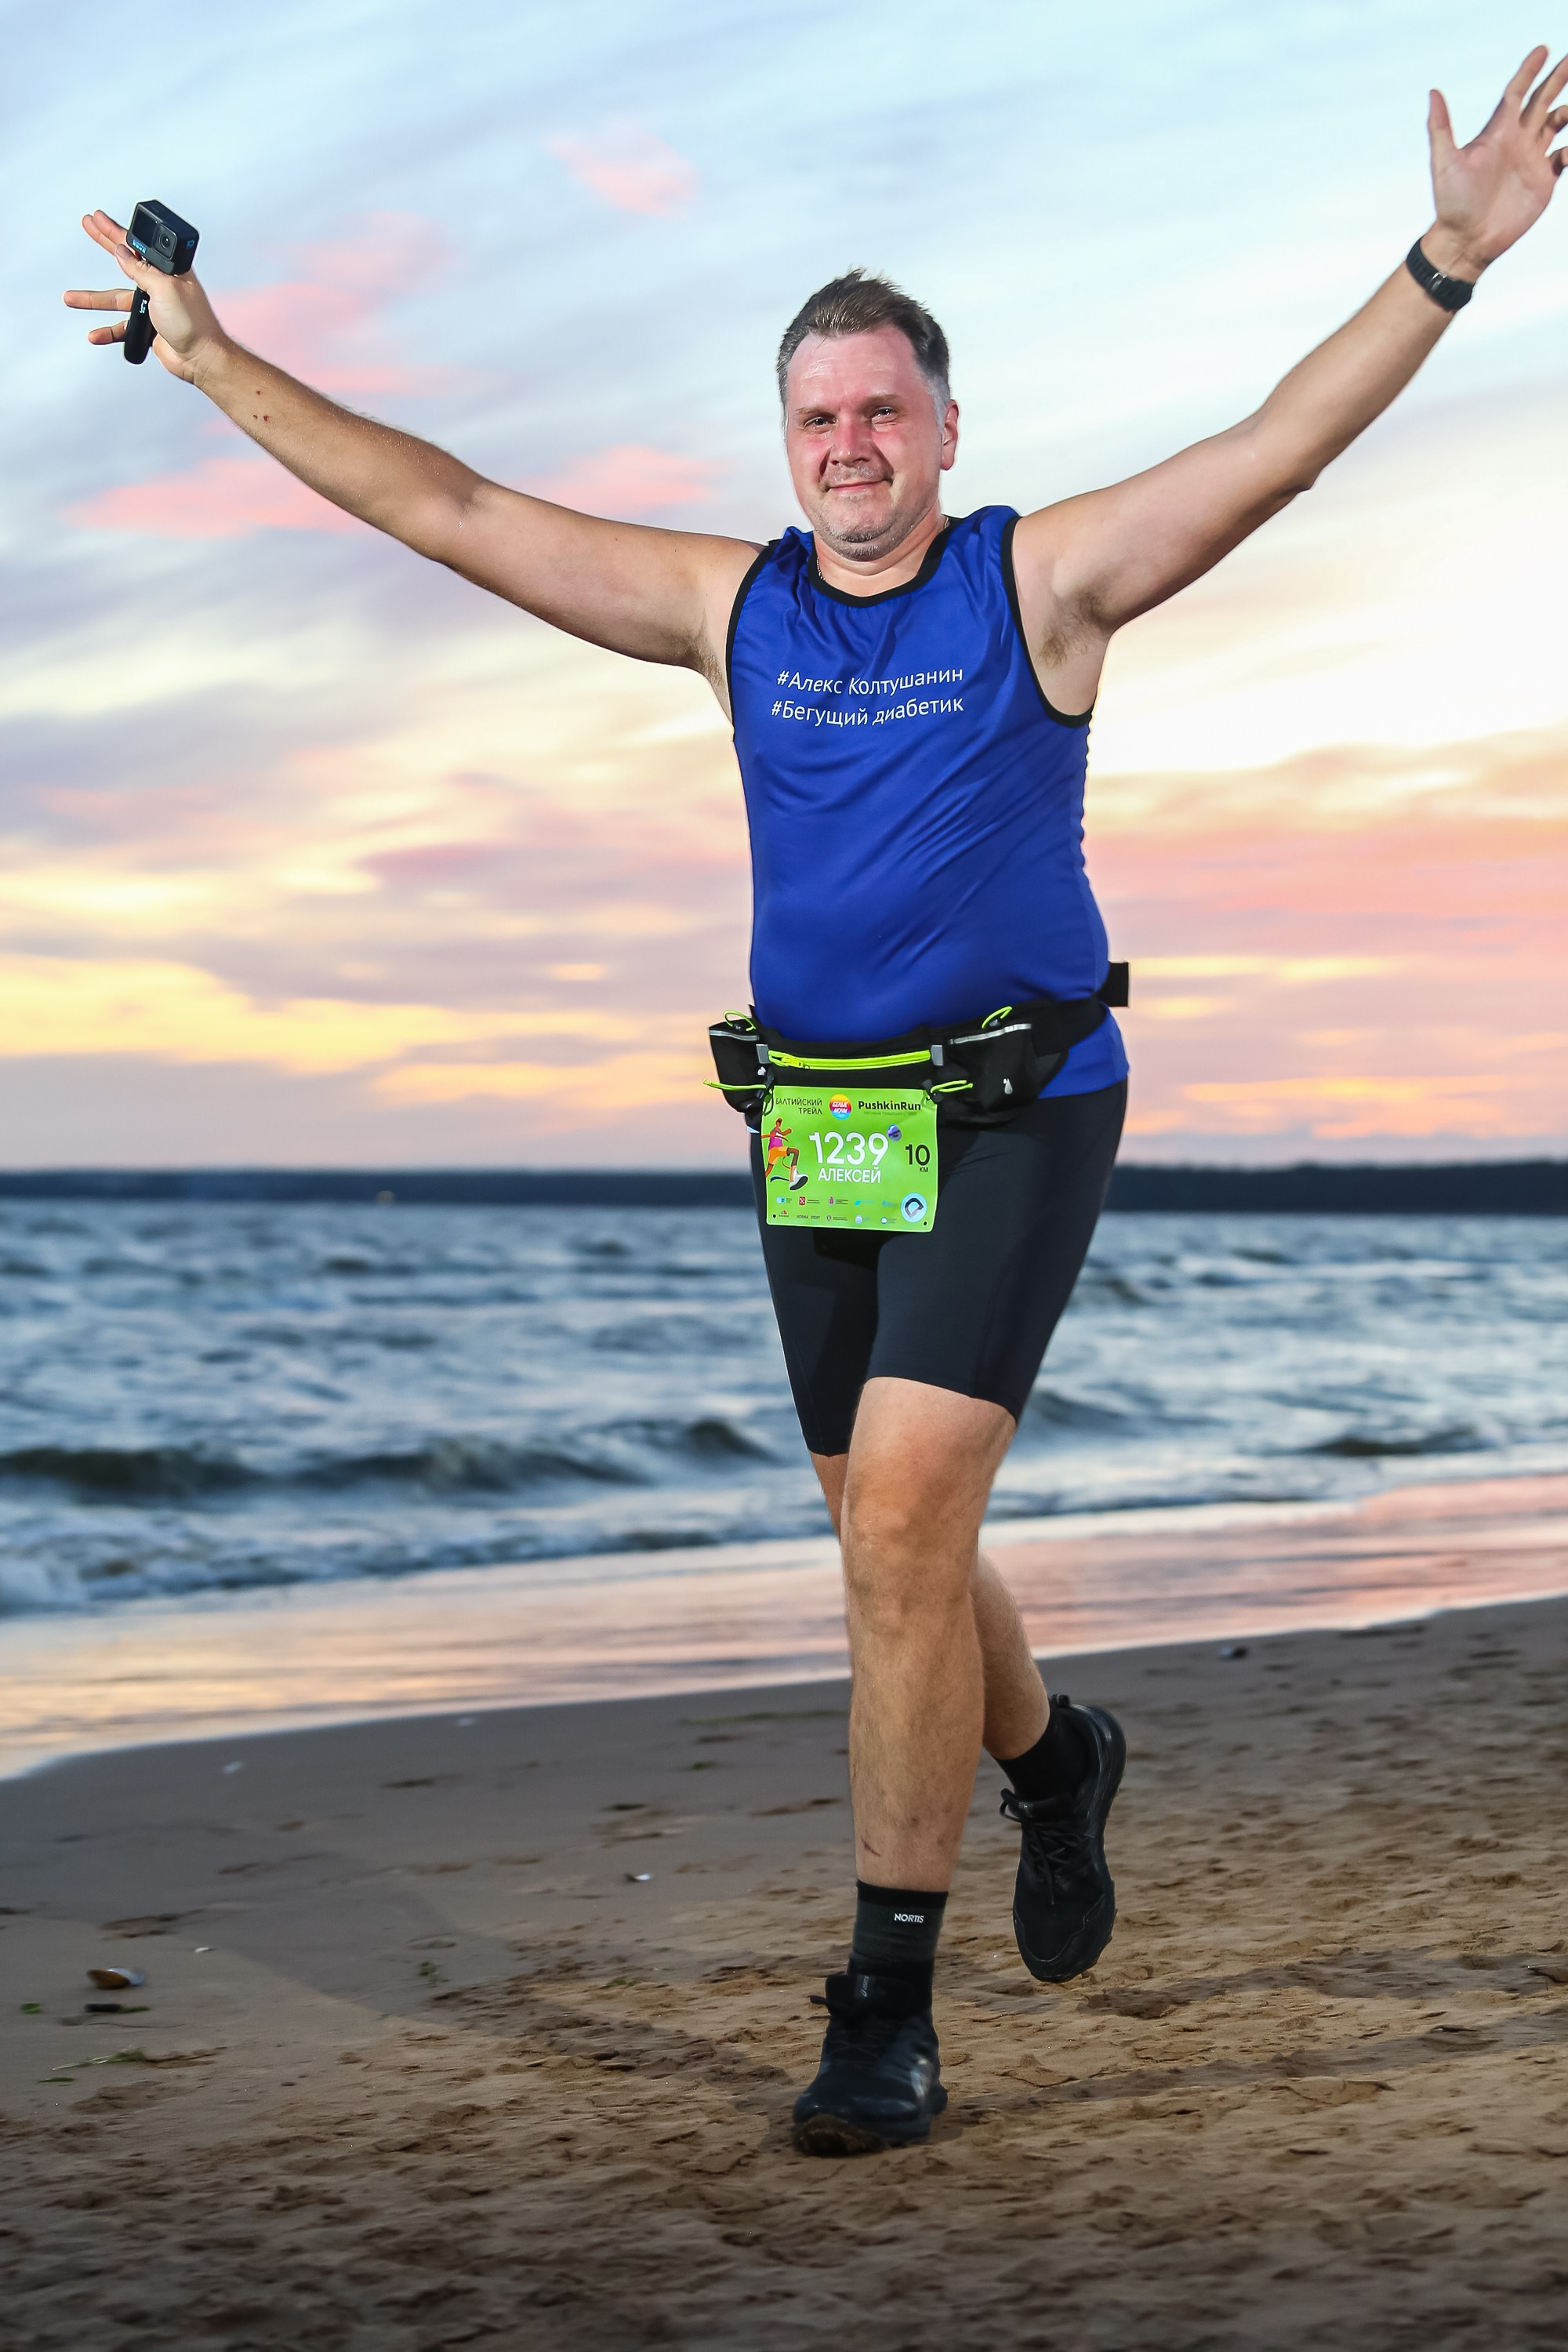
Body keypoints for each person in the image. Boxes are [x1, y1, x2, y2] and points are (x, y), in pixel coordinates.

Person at [68, 49, 1566, 2156]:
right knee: (890, 1533)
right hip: (820, 1125)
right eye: (817, 416)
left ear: (950, 429)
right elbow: (455, 506)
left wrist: (1446, 262)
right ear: (786, 444)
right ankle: (1056, 1764)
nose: (851, 442)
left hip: (1022, 1108)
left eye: (884, 409)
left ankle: (885, 2006)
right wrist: (218, 364)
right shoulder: (732, 608)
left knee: (897, 1546)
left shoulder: (1038, 582)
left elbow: (1271, 454)